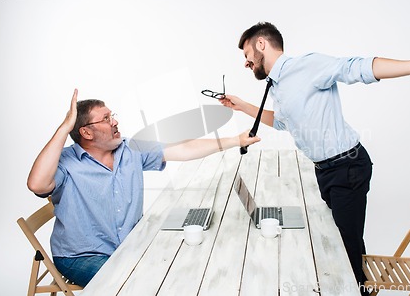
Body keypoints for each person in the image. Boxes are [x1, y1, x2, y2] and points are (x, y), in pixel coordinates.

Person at [220, 22, 410, 294]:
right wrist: (243, 106)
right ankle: (356, 283)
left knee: (346, 251)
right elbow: (284, 123)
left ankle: (358, 288)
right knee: (343, 242)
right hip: (326, 171)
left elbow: (358, 68)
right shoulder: (278, 85)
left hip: (348, 167)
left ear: (262, 44)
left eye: (247, 54)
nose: (247, 63)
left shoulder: (307, 66)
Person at [26, 89, 260, 287]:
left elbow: (184, 149)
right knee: (137, 283)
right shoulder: (66, 163)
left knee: (181, 267)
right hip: (82, 256)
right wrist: (64, 128)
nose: (115, 121)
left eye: (112, 115)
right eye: (106, 119)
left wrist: (235, 141)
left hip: (128, 245)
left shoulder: (131, 150)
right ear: (86, 132)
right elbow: (36, 184)